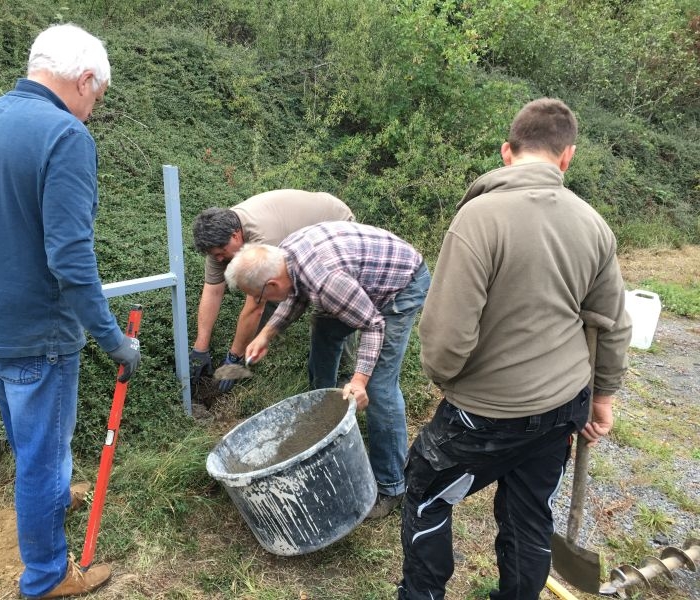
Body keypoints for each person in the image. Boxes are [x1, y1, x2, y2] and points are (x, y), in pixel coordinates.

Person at [399, 98, 632, 599]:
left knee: (424, 492)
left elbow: (445, 338)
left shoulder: (478, 218)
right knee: (529, 513)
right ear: (567, 156)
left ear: (507, 152)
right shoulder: (594, 224)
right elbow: (612, 323)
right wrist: (603, 399)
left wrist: (448, 380)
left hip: (486, 413)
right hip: (564, 404)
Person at [0, 24, 141, 600]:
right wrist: (113, 339)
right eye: (96, 98)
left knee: (31, 442)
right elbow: (71, 258)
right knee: (39, 456)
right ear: (84, 80)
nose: (91, 111)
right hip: (35, 334)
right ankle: (47, 577)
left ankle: (54, 495)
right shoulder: (65, 135)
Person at [224, 221, 431, 518]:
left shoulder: (326, 282)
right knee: (324, 331)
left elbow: (373, 325)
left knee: (379, 387)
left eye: (259, 297)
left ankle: (391, 485)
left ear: (270, 285)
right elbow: (295, 294)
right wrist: (266, 334)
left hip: (400, 285)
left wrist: (359, 381)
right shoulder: (285, 259)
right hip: (356, 280)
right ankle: (323, 420)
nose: (261, 302)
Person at [189, 189, 355, 392]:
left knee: (334, 304)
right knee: (268, 297)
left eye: (221, 253)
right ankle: (253, 353)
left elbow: (255, 307)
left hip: (334, 224)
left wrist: (234, 358)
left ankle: (346, 372)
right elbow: (212, 292)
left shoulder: (263, 238)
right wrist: (200, 348)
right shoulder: (218, 242)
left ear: (236, 236)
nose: (219, 259)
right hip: (296, 225)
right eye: (214, 255)